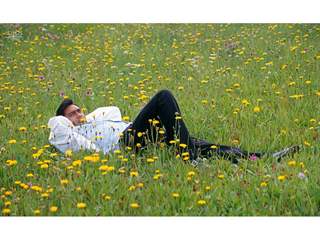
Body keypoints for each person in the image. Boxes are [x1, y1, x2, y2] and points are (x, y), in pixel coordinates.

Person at [48, 89, 299, 165]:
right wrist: (66, 120)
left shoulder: (94, 119)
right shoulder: (74, 133)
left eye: (80, 110)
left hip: (140, 135)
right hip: (124, 144)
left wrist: (87, 116)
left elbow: (110, 109)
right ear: (65, 119)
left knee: (196, 143)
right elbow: (56, 127)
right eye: (73, 113)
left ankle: (260, 157)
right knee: (163, 98)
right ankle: (188, 157)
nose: (80, 114)